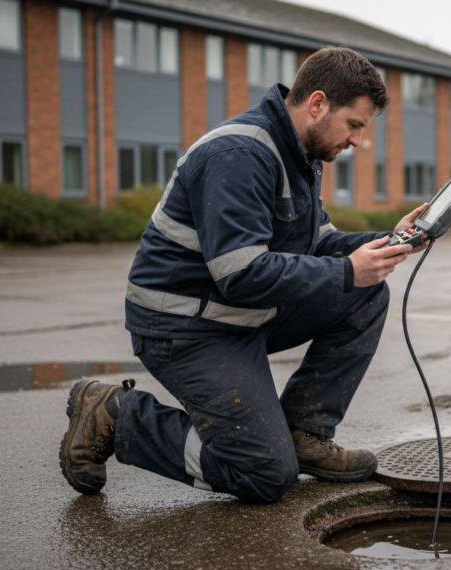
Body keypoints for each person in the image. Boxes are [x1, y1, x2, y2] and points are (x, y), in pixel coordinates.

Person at [59, 47, 428, 503]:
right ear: (317, 104)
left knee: (366, 293)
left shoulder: (298, 154)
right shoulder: (240, 154)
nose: (356, 141)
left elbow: (319, 244)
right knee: (266, 475)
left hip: (238, 313)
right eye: (354, 125)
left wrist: (391, 241)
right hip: (185, 327)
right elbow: (241, 273)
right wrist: (348, 271)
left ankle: (303, 434)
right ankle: (117, 414)